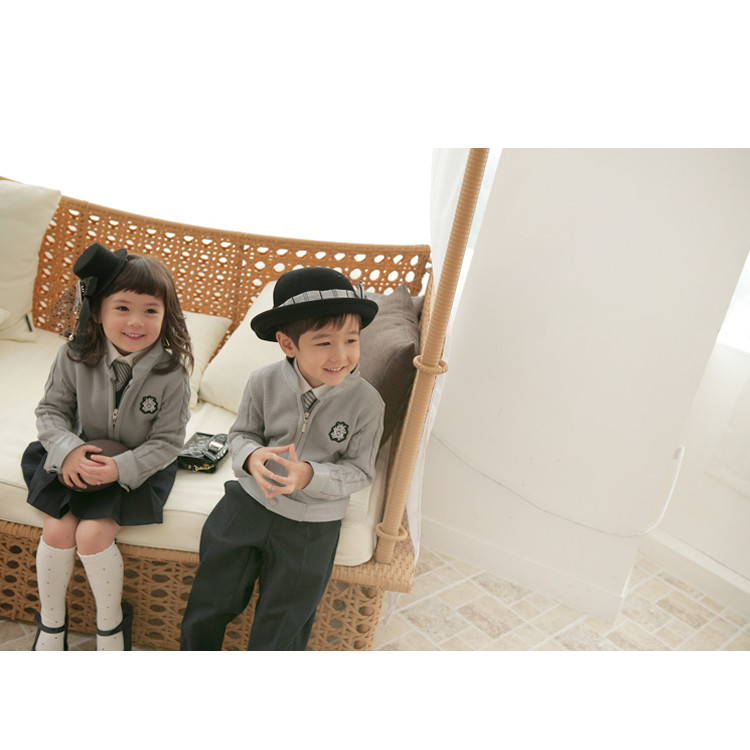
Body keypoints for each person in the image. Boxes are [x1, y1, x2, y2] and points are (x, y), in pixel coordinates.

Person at [180, 266, 384, 650]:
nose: (341, 355)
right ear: (288, 344)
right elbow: (241, 434)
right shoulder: (263, 381)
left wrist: (310, 476)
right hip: (248, 504)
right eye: (323, 342)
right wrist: (251, 456)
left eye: (351, 340)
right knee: (209, 601)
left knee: (284, 627)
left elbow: (360, 471)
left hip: (312, 527)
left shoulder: (367, 403)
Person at [22, 243, 193, 651]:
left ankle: (111, 627)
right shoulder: (73, 356)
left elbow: (168, 441)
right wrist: (68, 450)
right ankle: (51, 625)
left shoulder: (171, 374)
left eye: (150, 310)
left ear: (166, 315)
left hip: (136, 469)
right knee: (57, 529)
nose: (136, 321)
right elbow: (50, 412)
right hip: (75, 460)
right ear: (98, 311)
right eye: (122, 308)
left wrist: (121, 468)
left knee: (93, 535)